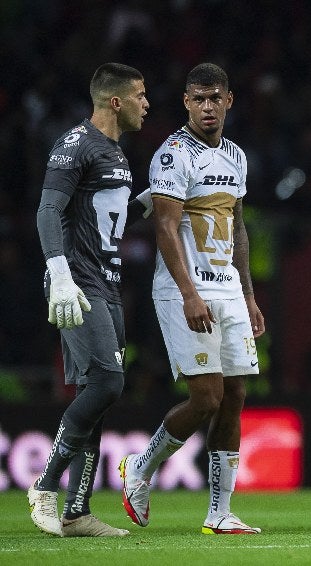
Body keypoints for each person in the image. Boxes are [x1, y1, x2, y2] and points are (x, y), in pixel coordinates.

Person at [119, 63, 263, 535]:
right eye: (198, 99)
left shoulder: (237, 156)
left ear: (229, 100)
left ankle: (219, 512)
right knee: (206, 397)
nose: (207, 107)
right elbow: (163, 227)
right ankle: (140, 467)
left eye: (214, 98)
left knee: (235, 394)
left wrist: (249, 294)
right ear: (185, 102)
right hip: (186, 289)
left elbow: (238, 227)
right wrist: (188, 293)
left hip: (229, 288)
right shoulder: (172, 155)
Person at [29, 62, 150, 537]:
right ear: (116, 101)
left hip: (109, 285)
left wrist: (155, 197)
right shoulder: (75, 144)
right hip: (77, 283)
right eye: (140, 95)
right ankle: (44, 485)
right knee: (107, 384)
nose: (147, 103)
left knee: (95, 396)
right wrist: (58, 275)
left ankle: (77, 513)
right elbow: (47, 210)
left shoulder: (117, 155)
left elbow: (112, 225)